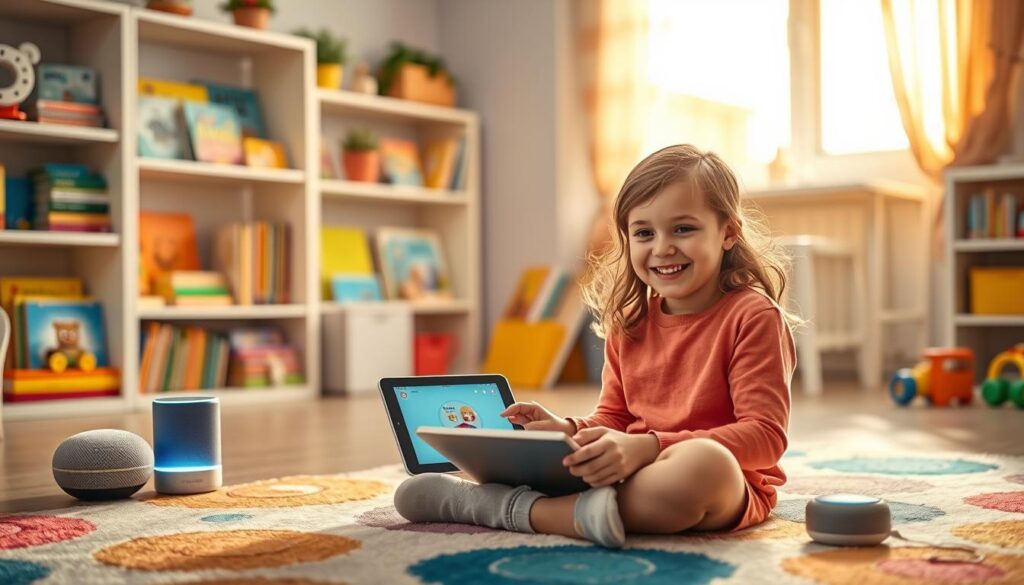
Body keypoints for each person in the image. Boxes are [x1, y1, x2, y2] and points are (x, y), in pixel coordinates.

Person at [394, 144, 798, 548]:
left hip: (722, 483)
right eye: (644, 233)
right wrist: (566, 431)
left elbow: (765, 436)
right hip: (632, 473)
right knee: (559, 459)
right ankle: (576, 509)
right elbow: (614, 417)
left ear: (728, 232)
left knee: (705, 465)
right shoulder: (632, 321)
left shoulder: (753, 316)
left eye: (683, 229)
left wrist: (649, 446)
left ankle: (503, 509)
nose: (662, 248)